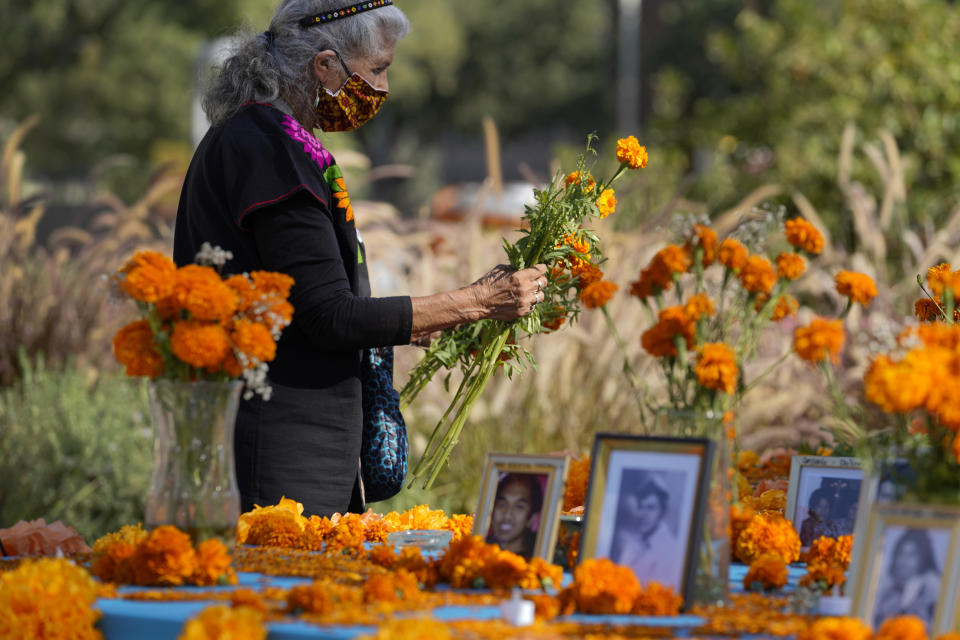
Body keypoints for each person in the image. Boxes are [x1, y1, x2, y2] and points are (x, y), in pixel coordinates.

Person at [173, 0, 547, 518]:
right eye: (377, 70)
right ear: (324, 66)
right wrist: (478, 302)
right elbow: (329, 315)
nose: (383, 90)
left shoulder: (267, 140)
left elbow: (310, 298)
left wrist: (431, 317)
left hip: (290, 444)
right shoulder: (269, 151)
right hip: (278, 455)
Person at [612, 476, 679, 589]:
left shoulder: (670, 549)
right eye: (641, 507)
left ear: (662, 511)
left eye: (651, 507)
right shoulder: (631, 543)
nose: (643, 514)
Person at [873, 528, 941, 629]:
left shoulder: (932, 590)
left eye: (911, 555)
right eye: (901, 554)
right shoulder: (888, 589)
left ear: (923, 558)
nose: (903, 561)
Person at [485, 474, 544, 559]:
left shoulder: (534, 561)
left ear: (532, 518)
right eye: (502, 504)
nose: (507, 515)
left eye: (519, 507)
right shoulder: (481, 551)